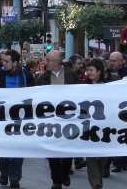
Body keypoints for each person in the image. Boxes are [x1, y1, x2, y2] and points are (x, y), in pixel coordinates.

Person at [36, 49, 78, 189]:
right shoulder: (42, 79)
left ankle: (65, 173)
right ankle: (56, 181)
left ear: (58, 62)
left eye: (49, 60)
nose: (46, 62)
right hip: (50, 120)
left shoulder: (72, 75)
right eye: (46, 59)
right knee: (52, 151)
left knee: (67, 150)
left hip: (69, 119)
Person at [0, 49, 33, 189]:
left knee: (17, 148)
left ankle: (15, 177)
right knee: (3, 148)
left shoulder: (26, 75)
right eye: (2, 61)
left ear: (15, 63)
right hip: (2, 118)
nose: (3, 64)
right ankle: (4, 173)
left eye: (6, 61)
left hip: (20, 119)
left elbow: (35, 93)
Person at [84, 59, 107, 189]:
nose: (89, 73)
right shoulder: (82, 86)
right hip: (88, 127)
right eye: (88, 70)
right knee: (91, 156)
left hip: (105, 127)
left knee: (102, 157)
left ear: (99, 71)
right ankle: (96, 183)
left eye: (91, 70)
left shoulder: (109, 86)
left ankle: (98, 179)